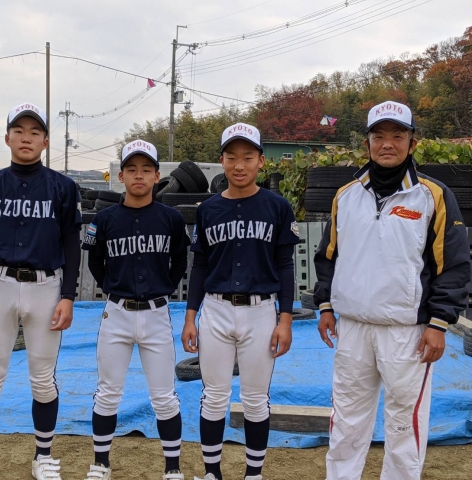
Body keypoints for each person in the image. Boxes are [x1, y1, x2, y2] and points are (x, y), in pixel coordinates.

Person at [314, 100, 471, 480]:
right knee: (346, 419)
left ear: (412, 143)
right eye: (379, 136)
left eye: (397, 136)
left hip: (407, 332)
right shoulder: (346, 195)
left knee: (404, 424)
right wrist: (325, 305)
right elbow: (328, 256)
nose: (388, 144)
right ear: (367, 143)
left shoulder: (433, 196)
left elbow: (453, 265)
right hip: (353, 328)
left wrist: (439, 323)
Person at [0, 103, 82, 480]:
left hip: (46, 287)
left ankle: (43, 456)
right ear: (7, 138)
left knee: (43, 379)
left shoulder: (63, 187)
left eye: (34, 132)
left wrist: (68, 295)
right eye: (19, 130)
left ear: (45, 141)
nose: (26, 137)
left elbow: (72, 243)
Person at [182, 123, 299, 480]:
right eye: (231, 157)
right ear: (222, 161)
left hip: (261, 311)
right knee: (214, 396)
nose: (239, 165)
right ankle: (212, 473)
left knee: (255, 398)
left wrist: (285, 319)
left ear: (261, 161)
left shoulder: (277, 207)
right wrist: (190, 317)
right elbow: (200, 265)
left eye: (247, 157)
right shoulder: (208, 209)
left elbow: (286, 265)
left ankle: (253, 474)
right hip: (216, 309)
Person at [81, 139, 190, 480]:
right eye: (131, 169)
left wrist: (165, 288)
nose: (138, 175)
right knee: (108, 392)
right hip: (117, 314)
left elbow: (180, 262)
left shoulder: (171, 218)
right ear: (121, 176)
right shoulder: (105, 218)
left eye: (146, 169)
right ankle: (100, 464)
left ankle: (172, 468)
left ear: (157, 176)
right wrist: (114, 286)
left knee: (164, 396)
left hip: (156, 314)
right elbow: (95, 262)